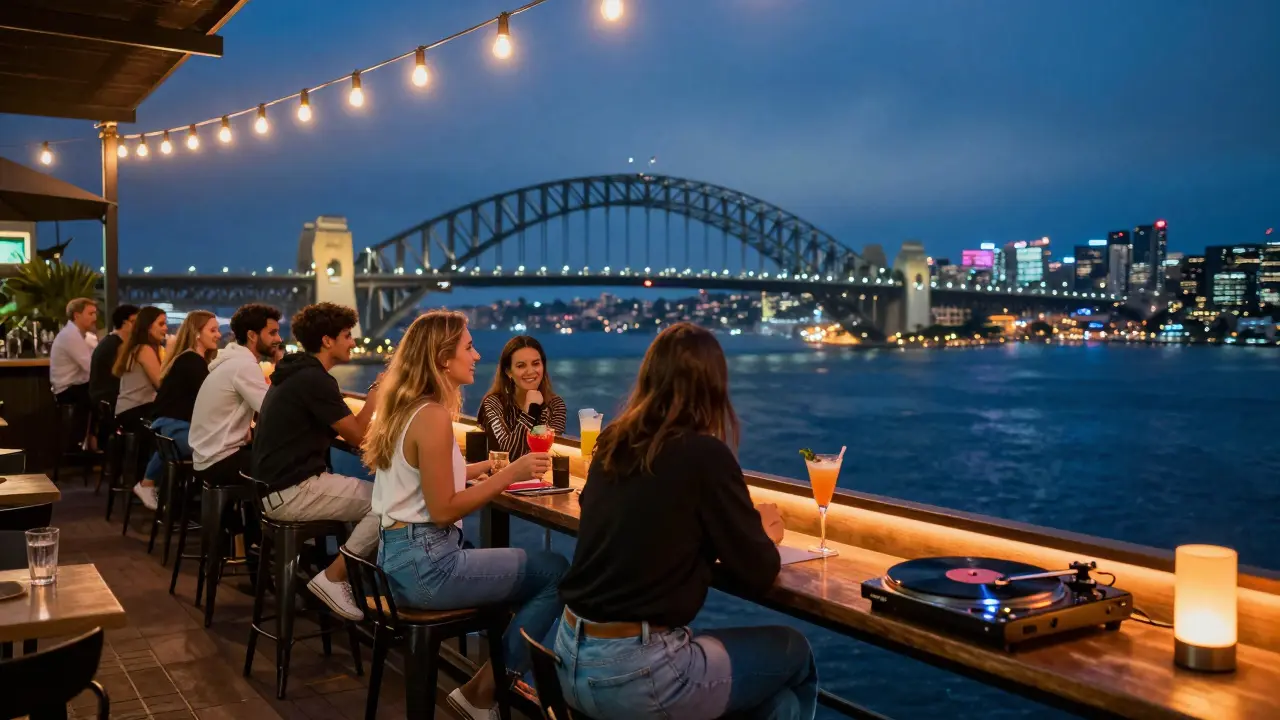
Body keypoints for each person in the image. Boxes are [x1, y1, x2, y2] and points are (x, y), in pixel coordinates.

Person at [554, 322, 814, 720]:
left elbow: (601, 507)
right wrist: (764, 534)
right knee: (794, 651)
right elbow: (758, 571)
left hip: (569, 653)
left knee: (781, 706)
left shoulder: (612, 442)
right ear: (713, 388)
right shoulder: (705, 456)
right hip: (636, 675)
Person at [365, 311, 566, 720]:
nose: (477, 356)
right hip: (427, 567)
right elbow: (442, 511)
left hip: (396, 560)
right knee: (557, 572)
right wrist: (511, 472)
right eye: (469, 347)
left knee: (524, 575)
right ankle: (484, 690)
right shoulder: (434, 417)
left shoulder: (410, 408)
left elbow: (421, 479)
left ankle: (491, 679)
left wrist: (476, 471)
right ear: (443, 359)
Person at [251, 302, 380, 621]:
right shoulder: (314, 380)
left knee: (380, 501)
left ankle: (363, 591)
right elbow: (359, 437)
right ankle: (335, 578)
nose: (353, 342)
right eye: (348, 336)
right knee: (390, 504)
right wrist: (377, 394)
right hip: (293, 491)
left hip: (273, 489)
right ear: (327, 341)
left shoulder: (296, 373)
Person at [134, 311, 220, 510]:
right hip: (174, 427)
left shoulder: (188, 358)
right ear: (197, 333)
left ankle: (155, 486)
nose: (218, 335)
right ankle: (209, 508)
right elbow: (210, 400)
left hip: (166, 427)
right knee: (219, 452)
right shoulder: (192, 361)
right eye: (213, 330)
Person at [189, 303, 281, 487]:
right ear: (252, 336)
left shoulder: (231, 361)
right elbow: (275, 411)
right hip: (219, 461)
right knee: (293, 467)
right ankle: (268, 515)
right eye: (272, 333)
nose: (278, 338)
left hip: (206, 457)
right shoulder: (244, 366)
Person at [477, 335, 567, 460]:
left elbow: (546, 454)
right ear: (509, 372)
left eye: (536, 364)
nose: (530, 371)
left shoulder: (555, 405)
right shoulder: (493, 403)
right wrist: (529, 412)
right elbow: (509, 457)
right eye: (521, 366)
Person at [112, 306, 167, 432]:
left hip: (129, 409)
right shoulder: (144, 350)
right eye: (161, 324)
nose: (166, 328)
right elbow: (162, 385)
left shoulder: (138, 347)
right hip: (135, 412)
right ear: (148, 327)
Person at [50, 297, 98, 407]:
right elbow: (91, 367)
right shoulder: (70, 336)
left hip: (76, 386)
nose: (95, 318)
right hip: (66, 391)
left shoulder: (86, 336)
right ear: (77, 316)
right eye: (91, 314)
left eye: (95, 313)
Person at [90, 304, 139, 406]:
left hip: (107, 395)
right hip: (107, 399)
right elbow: (120, 375)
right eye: (135, 322)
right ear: (125, 324)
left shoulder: (113, 341)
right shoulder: (114, 345)